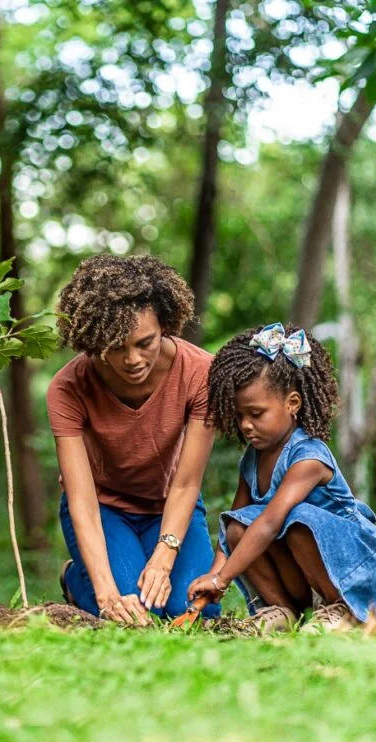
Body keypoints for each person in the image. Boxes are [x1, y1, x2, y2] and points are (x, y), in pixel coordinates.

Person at [187, 323, 376, 632]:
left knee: (297, 519)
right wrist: (214, 576)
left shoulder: (308, 458)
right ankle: (283, 610)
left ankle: (344, 609)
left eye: (256, 414)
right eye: (239, 416)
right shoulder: (252, 458)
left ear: (292, 404)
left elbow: (270, 523)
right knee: (238, 528)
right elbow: (232, 527)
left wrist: (223, 578)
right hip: (301, 566)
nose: (246, 425)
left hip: (352, 568)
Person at [47, 254, 220, 625]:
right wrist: (107, 594)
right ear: (93, 341)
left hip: (171, 504)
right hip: (105, 507)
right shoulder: (67, 389)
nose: (133, 360)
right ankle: (79, 580)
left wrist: (165, 554)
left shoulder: (202, 373)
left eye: (145, 342)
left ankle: (134, 568)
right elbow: (81, 498)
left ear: (166, 325)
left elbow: (187, 482)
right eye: (115, 348)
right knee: (133, 615)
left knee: (192, 613)